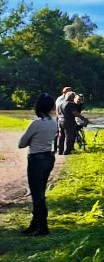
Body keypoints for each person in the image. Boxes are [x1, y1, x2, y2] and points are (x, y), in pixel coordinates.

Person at [17, 93, 57, 236]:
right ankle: (35, 224)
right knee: (40, 192)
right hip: (48, 158)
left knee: (37, 194)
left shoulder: (36, 123)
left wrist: (31, 141)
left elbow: (21, 144)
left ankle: (42, 227)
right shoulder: (54, 122)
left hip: (36, 159)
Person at [53, 87, 72, 153]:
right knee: (59, 133)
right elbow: (58, 109)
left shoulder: (69, 98)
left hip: (63, 117)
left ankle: (63, 149)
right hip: (61, 117)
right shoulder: (60, 99)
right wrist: (59, 117)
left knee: (62, 134)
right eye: (68, 92)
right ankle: (56, 149)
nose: (70, 93)